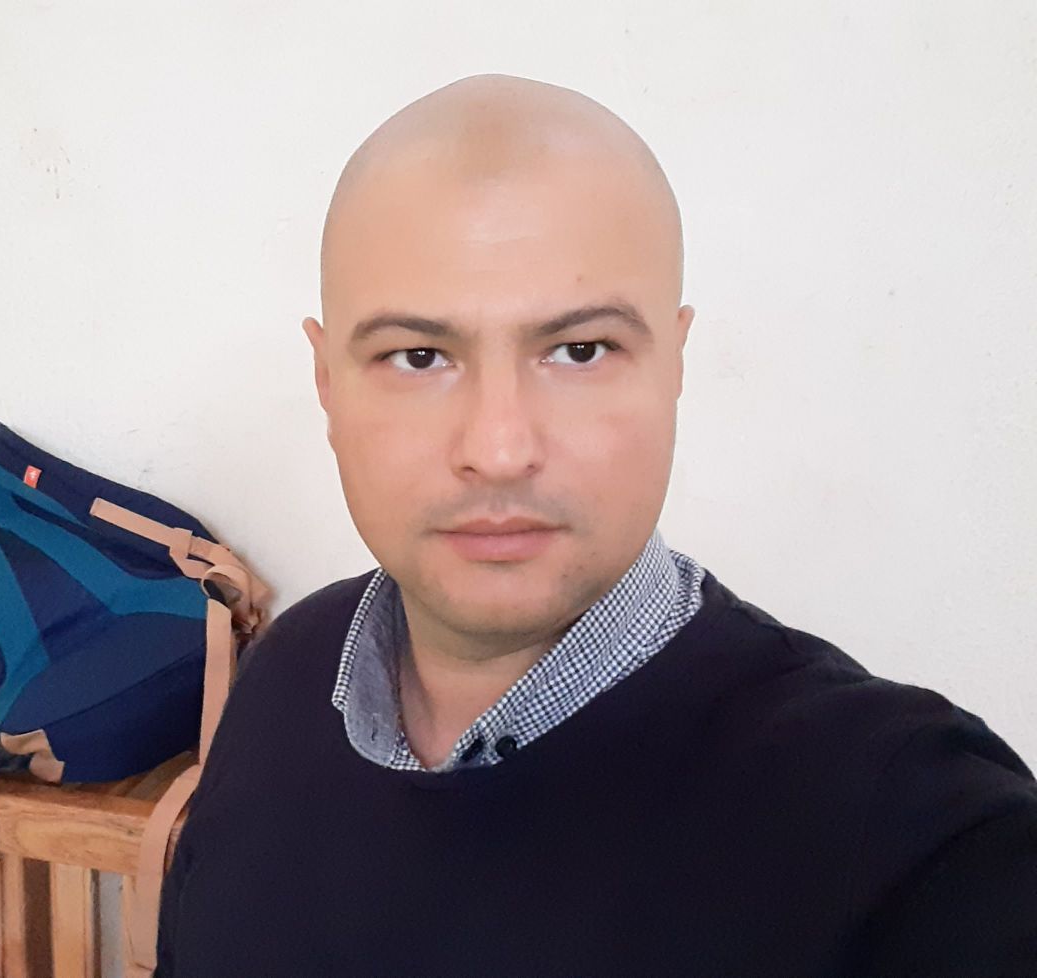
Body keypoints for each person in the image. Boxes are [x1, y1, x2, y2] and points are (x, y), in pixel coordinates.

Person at [154, 73, 1037, 977]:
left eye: (579, 351)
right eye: (418, 357)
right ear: (327, 384)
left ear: (675, 365)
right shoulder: (287, 678)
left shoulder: (922, 838)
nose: (499, 449)